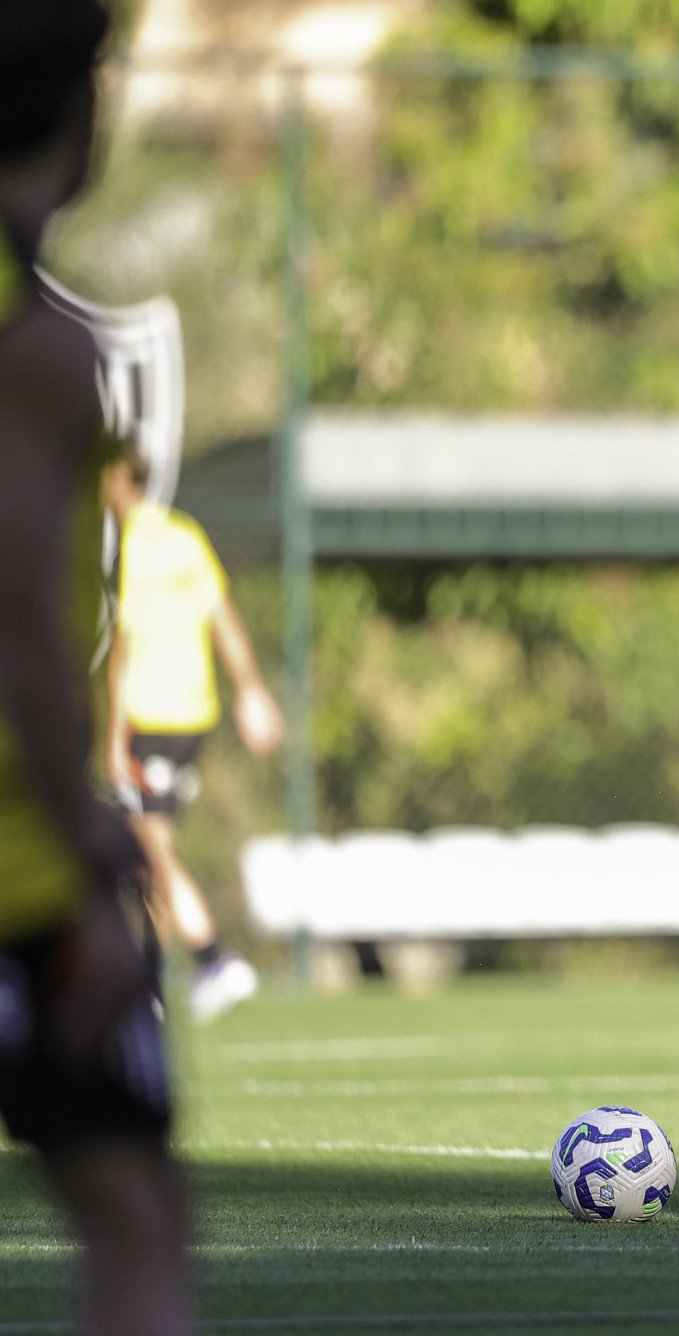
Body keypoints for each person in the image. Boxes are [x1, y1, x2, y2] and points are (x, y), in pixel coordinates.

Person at [0, 3, 192, 1330]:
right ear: (84, 108)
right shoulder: (40, 350)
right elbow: (16, 612)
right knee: (134, 1214)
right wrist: (89, 841)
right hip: (19, 875)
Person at [103, 447, 282, 1022]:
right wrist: (251, 689)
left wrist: (111, 739)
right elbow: (223, 616)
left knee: (151, 848)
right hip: (194, 717)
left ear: (117, 480)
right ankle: (152, 983)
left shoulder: (129, 549)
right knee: (150, 854)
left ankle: (212, 960)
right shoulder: (184, 536)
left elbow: (121, 654)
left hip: (151, 717)